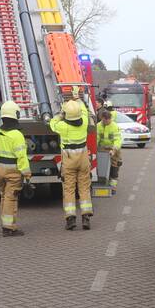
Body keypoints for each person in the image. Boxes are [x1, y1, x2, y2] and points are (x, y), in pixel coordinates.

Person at [50, 89, 93, 230]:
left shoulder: (62, 126)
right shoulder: (85, 122)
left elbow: (52, 124)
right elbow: (85, 111)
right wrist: (77, 98)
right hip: (83, 160)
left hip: (69, 161)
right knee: (84, 188)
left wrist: (60, 115)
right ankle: (86, 216)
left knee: (69, 189)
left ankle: (70, 219)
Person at [0, 101, 31, 236]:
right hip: (13, 171)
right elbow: (22, 157)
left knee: (3, 197)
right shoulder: (17, 135)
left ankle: (5, 223)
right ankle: (8, 227)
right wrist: (27, 173)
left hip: (0, 170)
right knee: (11, 198)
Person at [96, 108, 122, 194]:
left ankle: (113, 187)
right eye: (105, 119)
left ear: (110, 118)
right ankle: (102, 182)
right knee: (101, 166)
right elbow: (96, 139)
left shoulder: (115, 126)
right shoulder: (98, 126)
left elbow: (118, 140)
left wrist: (114, 150)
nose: (107, 121)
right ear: (101, 118)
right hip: (102, 148)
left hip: (113, 148)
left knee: (114, 168)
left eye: (108, 119)